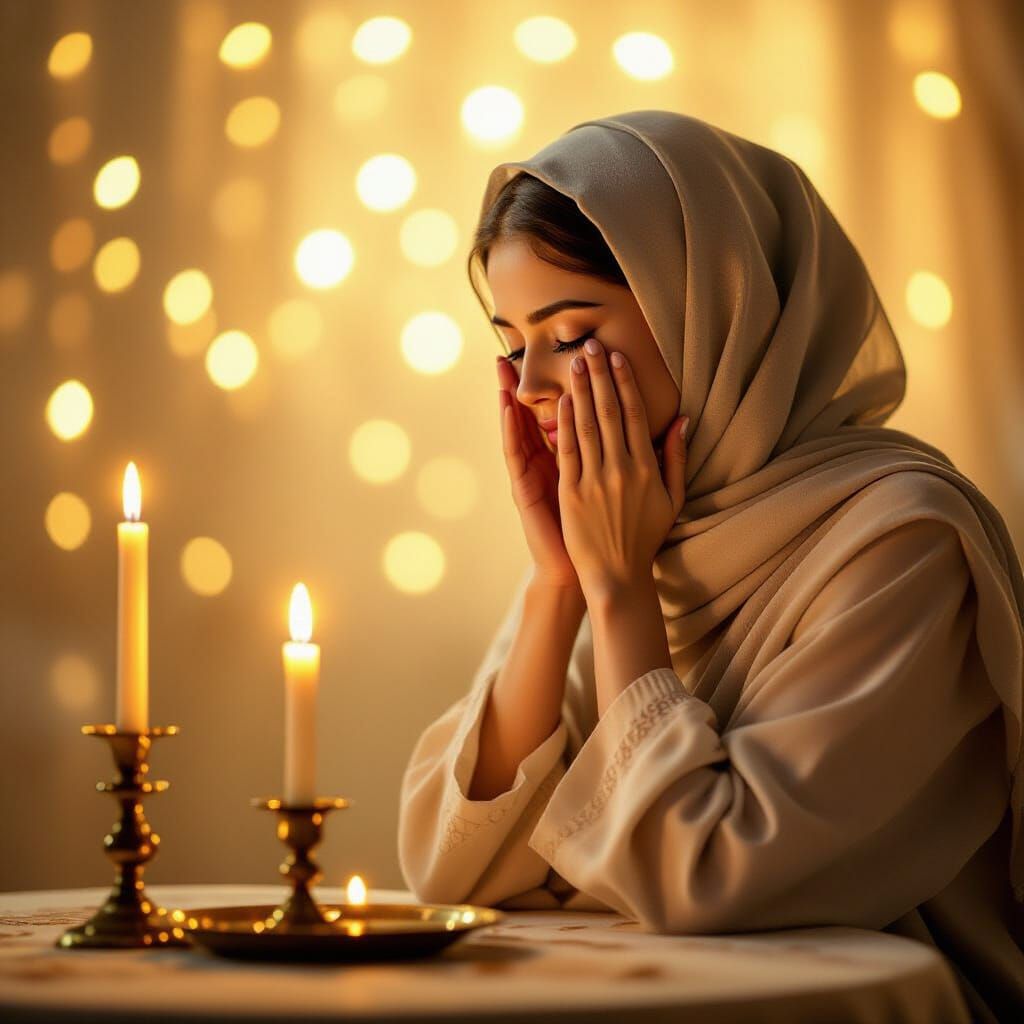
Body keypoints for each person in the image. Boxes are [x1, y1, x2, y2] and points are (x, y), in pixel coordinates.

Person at [396, 110, 1024, 1021]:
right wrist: (559, 583)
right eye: (510, 342)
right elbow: (455, 865)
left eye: (569, 336)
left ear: (708, 311)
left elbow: (709, 879)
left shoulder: (905, 542)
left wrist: (616, 595)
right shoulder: (638, 525)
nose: (530, 385)